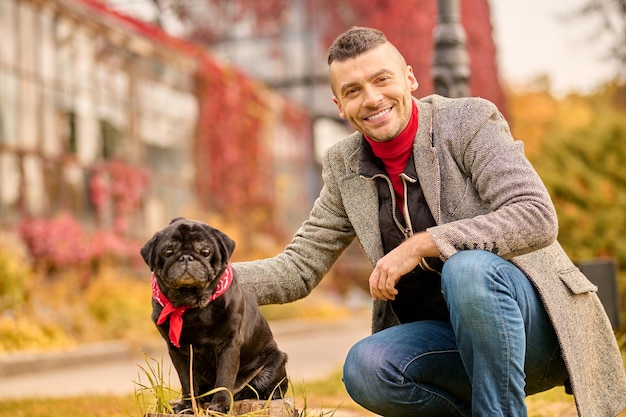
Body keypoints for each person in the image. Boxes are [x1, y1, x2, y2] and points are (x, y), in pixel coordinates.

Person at [233, 26, 626, 417]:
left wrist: (423, 243)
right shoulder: (343, 165)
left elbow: (535, 215)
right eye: (353, 91)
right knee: (367, 367)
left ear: (410, 78)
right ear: (339, 105)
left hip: (539, 333)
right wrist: (205, 281)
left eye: (381, 79)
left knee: (467, 269)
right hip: (451, 345)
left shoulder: (469, 121)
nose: (372, 99)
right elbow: (299, 268)